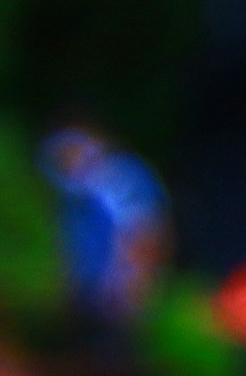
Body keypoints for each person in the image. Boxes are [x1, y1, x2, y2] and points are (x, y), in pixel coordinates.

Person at [40, 125, 168, 324]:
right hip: (88, 292)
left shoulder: (122, 179)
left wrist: (136, 280)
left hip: (119, 292)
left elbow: (145, 230)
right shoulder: (71, 197)